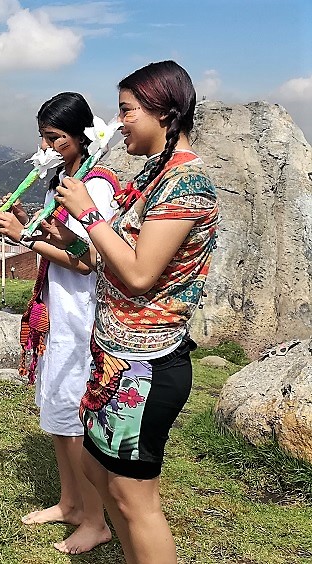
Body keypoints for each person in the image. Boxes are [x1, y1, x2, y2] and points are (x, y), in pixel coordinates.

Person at [51, 61, 219, 563]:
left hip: (147, 367)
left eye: (127, 110)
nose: (118, 121)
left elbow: (143, 274)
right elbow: (111, 257)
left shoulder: (187, 184)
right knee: (100, 474)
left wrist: (87, 213)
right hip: (115, 360)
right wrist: (64, 240)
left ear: (164, 113)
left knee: (134, 498)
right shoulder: (154, 175)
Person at [0, 92, 119, 555]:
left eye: (56, 138)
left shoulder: (95, 186)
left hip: (82, 314)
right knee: (56, 417)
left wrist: (22, 237)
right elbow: (59, 239)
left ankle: (94, 519)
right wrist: (29, 222)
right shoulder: (60, 181)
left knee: (73, 421)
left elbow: (87, 260)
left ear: (83, 136)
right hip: (56, 312)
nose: (46, 148)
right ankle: (70, 503)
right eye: (43, 138)